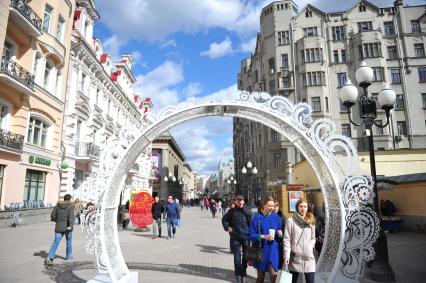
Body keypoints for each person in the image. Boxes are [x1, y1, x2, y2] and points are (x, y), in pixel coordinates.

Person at [249, 196, 283, 283]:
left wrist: (280, 235)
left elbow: (281, 237)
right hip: (261, 251)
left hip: (273, 251)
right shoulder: (257, 218)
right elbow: (250, 234)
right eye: (270, 205)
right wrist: (264, 236)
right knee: (260, 277)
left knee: (274, 276)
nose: (272, 208)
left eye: (273, 206)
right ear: (263, 205)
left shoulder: (277, 218)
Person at [284, 198, 316, 283]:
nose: (303, 208)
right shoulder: (290, 221)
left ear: (307, 208)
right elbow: (287, 240)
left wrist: (310, 247)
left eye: (305, 206)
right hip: (295, 258)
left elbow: (313, 237)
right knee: (293, 281)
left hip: (308, 258)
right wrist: (286, 256)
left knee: (310, 280)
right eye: (301, 206)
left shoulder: (311, 221)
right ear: (297, 207)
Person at [222, 195, 252, 282]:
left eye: (241, 200)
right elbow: (224, 220)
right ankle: (238, 275)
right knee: (237, 257)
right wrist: (227, 227)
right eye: (238, 200)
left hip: (246, 237)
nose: (239, 202)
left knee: (246, 256)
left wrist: (252, 234)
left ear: (243, 201)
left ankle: (243, 270)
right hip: (235, 237)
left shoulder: (248, 211)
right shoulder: (231, 211)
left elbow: (252, 223)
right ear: (235, 202)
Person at [45, 194, 75, 266]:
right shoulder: (70, 206)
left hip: (59, 227)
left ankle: (50, 257)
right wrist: (70, 225)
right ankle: (68, 257)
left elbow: (52, 216)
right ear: (70, 199)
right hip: (68, 227)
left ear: (64, 199)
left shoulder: (57, 206)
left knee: (56, 242)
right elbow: (71, 217)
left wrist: (57, 221)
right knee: (69, 242)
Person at [274, 200, 286, 270]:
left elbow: (285, 232)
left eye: (277, 206)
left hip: (280, 244)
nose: (275, 208)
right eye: (274, 206)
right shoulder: (267, 216)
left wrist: (281, 235)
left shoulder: (282, 217)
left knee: (279, 264)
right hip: (270, 243)